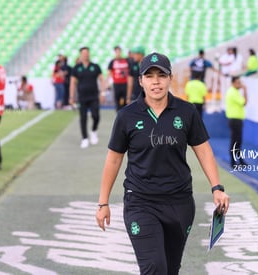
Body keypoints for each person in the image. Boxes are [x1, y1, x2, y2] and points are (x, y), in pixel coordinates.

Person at [96, 52, 230, 274]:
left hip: (180, 202)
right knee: (154, 267)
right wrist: (103, 203)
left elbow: (203, 150)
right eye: (149, 76)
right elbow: (114, 159)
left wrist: (217, 187)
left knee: (169, 269)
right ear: (141, 81)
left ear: (170, 78)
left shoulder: (187, 112)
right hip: (140, 202)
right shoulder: (126, 116)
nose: (156, 81)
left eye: (161, 75)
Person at [69, 47, 106, 149]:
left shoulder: (95, 67)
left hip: (94, 96)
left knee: (96, 116)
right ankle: (84, 138)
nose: (85, 55)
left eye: (87, 53)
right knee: (83, 117)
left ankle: (93, 130)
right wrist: (71, 97)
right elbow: (72, 83)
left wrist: (103, 93)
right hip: (82, 97)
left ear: (89, 54)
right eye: (83, 53)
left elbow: (102, 80)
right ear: (80, 55)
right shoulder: (76, 68)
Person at [226, 76, 247, 167]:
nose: (240, 84)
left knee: (237, 141)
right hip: (235, 120)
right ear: (233, 83)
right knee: (235, 141)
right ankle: (234, 161)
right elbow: (244, 102)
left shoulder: (234, 92)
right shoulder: (233, 92)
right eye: (238, 82)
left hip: (236, 119)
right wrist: (245, 90)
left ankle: (238, 160)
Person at [108, 46, 129, 111]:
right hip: (116, 83)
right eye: (116, 51)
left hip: (125, 83)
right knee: (117, 100)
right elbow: (110, 72)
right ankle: (118, 113)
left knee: (125, 99)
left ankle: (125, 113)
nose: (118, 53)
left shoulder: (126, 60)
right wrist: (109, 83)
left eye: (119, 51)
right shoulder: (112, 61)